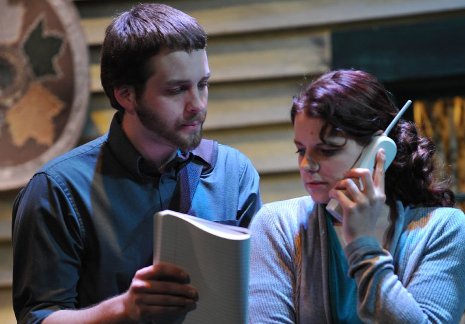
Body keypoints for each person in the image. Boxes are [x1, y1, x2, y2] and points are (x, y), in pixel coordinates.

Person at [12, 3, 262, 323]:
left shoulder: (234, 173)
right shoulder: (56, 189)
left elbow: (258, 296)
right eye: (176, 90)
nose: (197, 105)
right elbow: (38, 318)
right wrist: (123, 309)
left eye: (203, 84)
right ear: (127, 95)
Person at [248, 69, 465, 323]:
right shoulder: (276, 226)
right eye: (300, 150)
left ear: (378, 151)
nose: (307, 164)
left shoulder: (444, 229)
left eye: (327, 150)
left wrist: (364, 246)